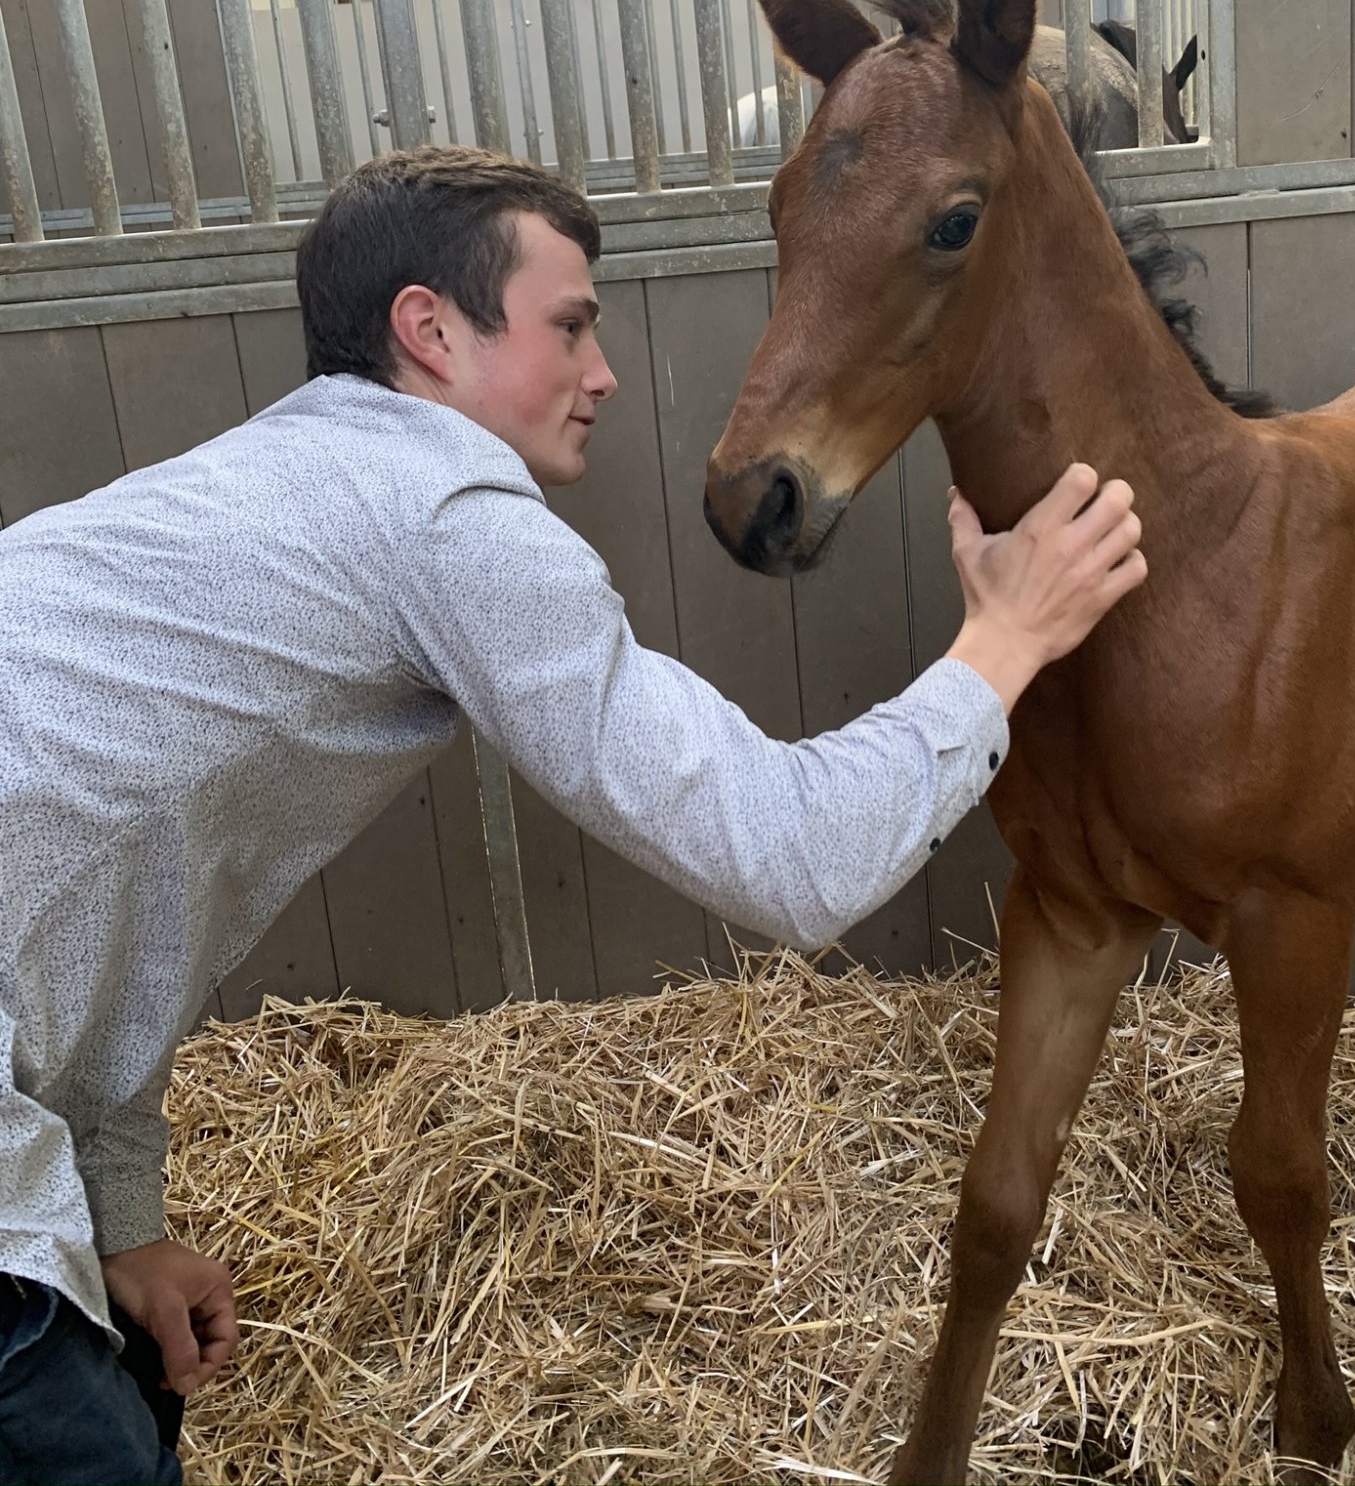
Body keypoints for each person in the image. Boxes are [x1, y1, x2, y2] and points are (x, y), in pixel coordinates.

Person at [0, 146, 1146, 1482]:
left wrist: (120, 1226)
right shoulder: (443, 514)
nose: (603, 374)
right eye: (570, 326)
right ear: (430, 330)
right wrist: (1007, 641)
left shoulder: (267, 484)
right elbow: (795, 858)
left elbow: (97, 905)